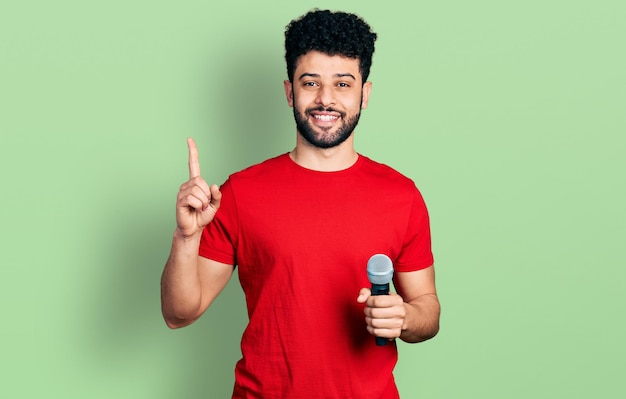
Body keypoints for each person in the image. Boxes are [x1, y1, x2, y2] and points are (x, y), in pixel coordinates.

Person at [161, 9, 440, 399]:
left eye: (343, 83)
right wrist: (186, 237)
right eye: (311, 82)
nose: (326, 99)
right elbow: (179, 314)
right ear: (290, 91)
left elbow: (428, 309)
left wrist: (406, 316)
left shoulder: (402, 196)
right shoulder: (240, 194)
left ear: (365, 93)